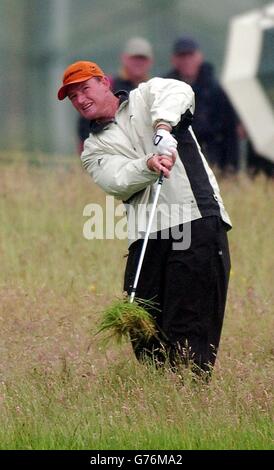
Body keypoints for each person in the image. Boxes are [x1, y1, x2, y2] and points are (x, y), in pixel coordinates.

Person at [58, 60, 232, 379]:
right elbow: (116, 179)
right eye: (72, 97)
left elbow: (181, 91)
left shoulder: (147, 95)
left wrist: (163, 128)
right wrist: (149, 163)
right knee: (142, 323)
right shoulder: (93, 149)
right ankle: (158, 394)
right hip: (147, 235)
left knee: (190, 318)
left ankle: (189, 392)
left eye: (84, 89)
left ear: (104, 82)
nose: (80, 99)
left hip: (196, 216)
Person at [165, 36, 240, 175]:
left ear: (199, 57)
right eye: (182, 56)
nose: (187, 61)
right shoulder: (165, 88)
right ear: (174, 60)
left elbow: (230, 132)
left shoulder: (217, 90)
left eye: (190, 55)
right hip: (177, 158)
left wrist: (231, 168)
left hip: (213, 157)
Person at [77, 37, 153, 154]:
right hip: (110, 151)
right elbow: (86, 120)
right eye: (134, 58)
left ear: (150, 62)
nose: (138, 62)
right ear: (124, 59)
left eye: (142, 59)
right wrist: (85, 149)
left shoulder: (153, 88)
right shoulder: (109, 85)